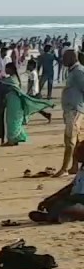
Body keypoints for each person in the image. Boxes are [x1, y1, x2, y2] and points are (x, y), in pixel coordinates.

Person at [30, 143, 84, 223]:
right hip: (75, 199)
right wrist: (51, 198)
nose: (75, 154)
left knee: (68, 208)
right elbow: (71, 186)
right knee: (51, 204)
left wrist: (68, 198)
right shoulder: (82, 169)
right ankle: (54, 215)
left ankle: (53, 216)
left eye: (78, 151)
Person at [3, 63, 53, 146]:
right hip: (13, 101)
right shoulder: (14, 78)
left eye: (6, 68)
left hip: (14, 101)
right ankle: (14, 138)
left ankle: (12, 140)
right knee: (13, 120)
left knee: (12, 120)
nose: (5, 70)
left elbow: (4, 83)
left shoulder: (12, 79)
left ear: (11, 69)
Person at [57, 49, 84, 177]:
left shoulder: (78, 72)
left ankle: (64, 169)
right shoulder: (73, 71)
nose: (63, 60)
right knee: (77, 140)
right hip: (71, 109)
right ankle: (73, 167)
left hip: (75, 110)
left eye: (65, 58)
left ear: (72, 58)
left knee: (70, 140)